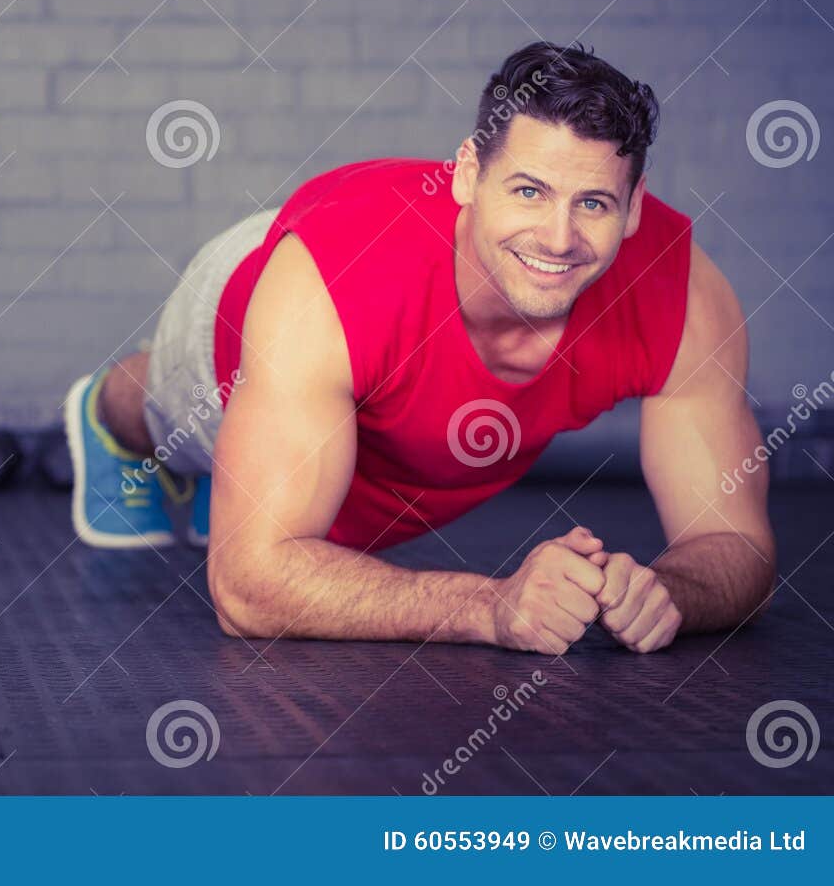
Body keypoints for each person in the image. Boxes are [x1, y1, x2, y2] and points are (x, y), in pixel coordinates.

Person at [65, 40, 775, 655]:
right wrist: (490, 607)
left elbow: (738, 545)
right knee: (169, 423)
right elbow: (246, 587)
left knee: (289, 474)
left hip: (375, 402)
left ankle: (254, 464)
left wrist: (668, 593)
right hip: (262, 295)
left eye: (592, 203)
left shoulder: (684, 298)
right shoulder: (333, 281)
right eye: (529, 190)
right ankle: (107, 408)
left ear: (635, 206)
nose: (559, 238)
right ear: (468, 172)